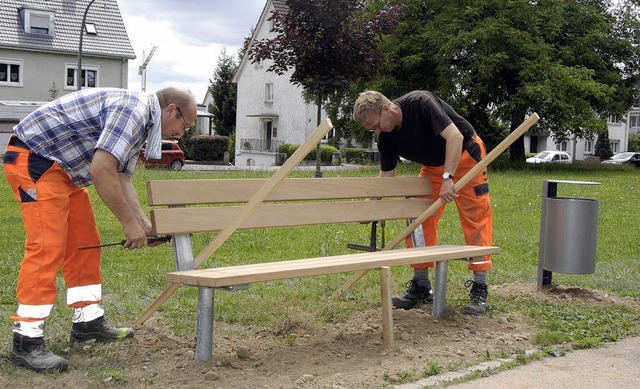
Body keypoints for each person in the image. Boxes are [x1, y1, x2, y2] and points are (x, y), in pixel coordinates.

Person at [2, 87, 197, 373]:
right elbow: (102, 169)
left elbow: (121, 178)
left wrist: (144, 226)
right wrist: (129, 224)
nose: (182, 132)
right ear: (170, 110)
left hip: (63, 170)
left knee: (84, 243)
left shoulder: (143, 123)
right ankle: (26, 340)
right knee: (47, 247)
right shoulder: (135, 109)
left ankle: (87, 323)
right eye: (185, 123)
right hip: (35, 159)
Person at [353, 90, 492, 316]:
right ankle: (421, 285)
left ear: (386, 109)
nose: (377, 132)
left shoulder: (421, 103)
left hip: (465, 156)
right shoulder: (386, 137)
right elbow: (387, 176)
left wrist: (449, 177)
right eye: (372, 130)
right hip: (433, 168)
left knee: (475, 217)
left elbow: (455, 137)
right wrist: (369, 206)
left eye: (375, 126)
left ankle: (480, 285)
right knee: (418, 218)